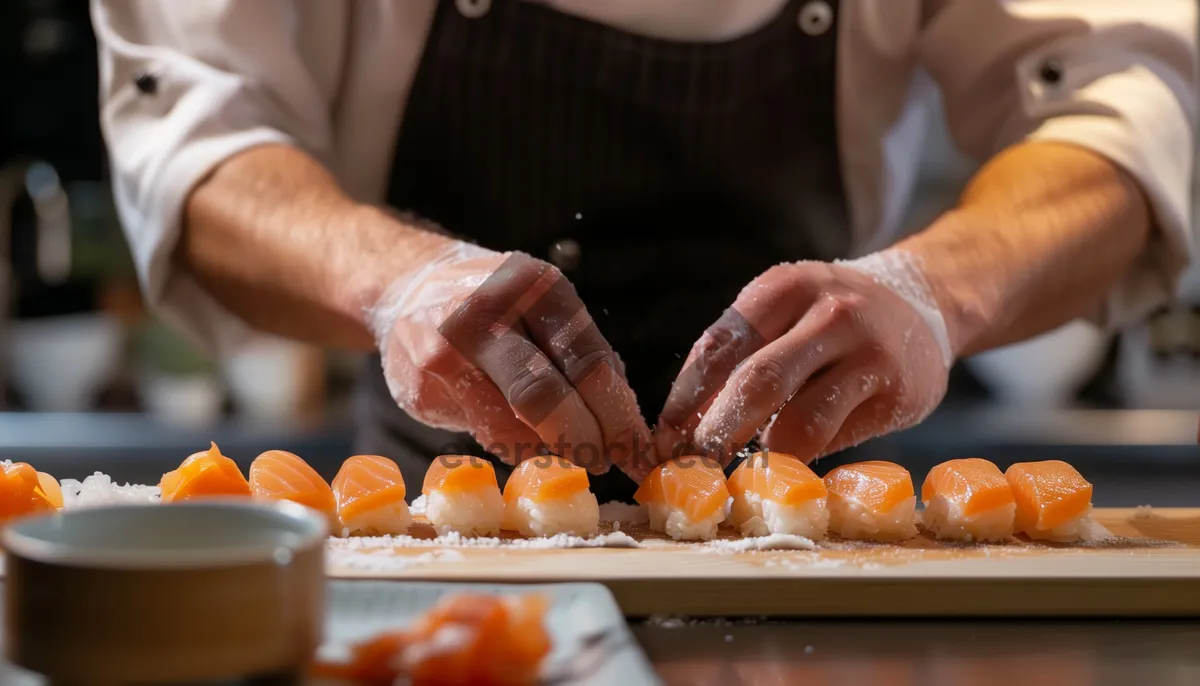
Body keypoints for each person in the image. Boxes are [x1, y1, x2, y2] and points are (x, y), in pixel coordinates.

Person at [92, 0, 1196, 501]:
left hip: (807, 523)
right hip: (436, 519)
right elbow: (204, 144)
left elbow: (1126, 98)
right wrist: (397, 283)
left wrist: (936, 291)